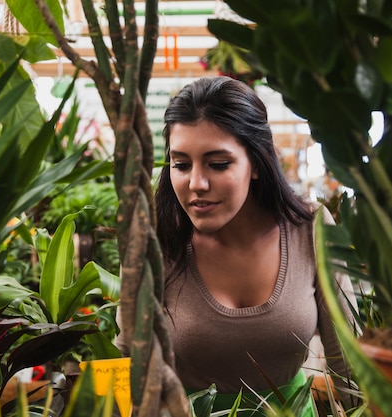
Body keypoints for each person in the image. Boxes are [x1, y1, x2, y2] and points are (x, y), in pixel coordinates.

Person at [123, 76, 359, 416]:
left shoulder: (310, 229)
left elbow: (347, 364)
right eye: (181, 164)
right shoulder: (153, 241)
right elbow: (129, 360)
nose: (197, 184)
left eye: (218, 164)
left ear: (257, 164)